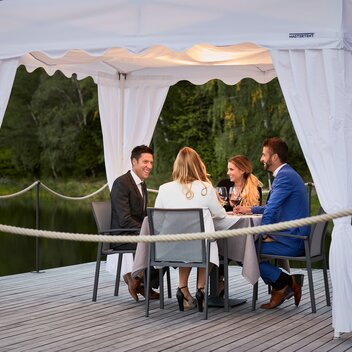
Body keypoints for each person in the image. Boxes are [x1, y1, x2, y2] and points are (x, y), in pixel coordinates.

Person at [234, 137, 310, 309]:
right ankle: (283, 284)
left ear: (274, 157)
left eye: (264, 154)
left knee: (241, 250)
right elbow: (272, 207)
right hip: (293, 235)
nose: (261, 159)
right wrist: (251, 209)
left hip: (292, 239)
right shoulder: (287, 174)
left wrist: (263, 235)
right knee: (246, 247)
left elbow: (270, 211)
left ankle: (284, 283)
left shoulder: (284, 177)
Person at [155, 146, 229, 312]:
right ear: (198, 164)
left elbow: (158, 221)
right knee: (206, 244)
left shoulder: (164, 188)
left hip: (170, 247)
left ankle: (183, 289)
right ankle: (201, 289)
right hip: (199, 247)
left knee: (188, 244)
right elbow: (220, 215)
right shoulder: (205, 188)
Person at [110, 145, 160, 302]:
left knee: (166, 242)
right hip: (121, 236)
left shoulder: (142, 184)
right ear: (134, 162)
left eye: (151, 162)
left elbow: (143, 215)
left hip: (137, 233)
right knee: (160, 245)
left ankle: (139, 280)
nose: (149, 166)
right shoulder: (121, 183)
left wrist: (156, 226)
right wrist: (147, 231)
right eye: (145, 162)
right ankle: (141, 282)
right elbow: (125, 219)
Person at [217, 155, 263, 296]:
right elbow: (218, 210)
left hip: (244, 234)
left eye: (231, 169)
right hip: (225, 230)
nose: (228, 172)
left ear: (242, 170)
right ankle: (218, 281)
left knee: (225, 246)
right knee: (215, 244)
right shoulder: (224, 184)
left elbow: (257, 213)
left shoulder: (254, 188)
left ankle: (219, 281)